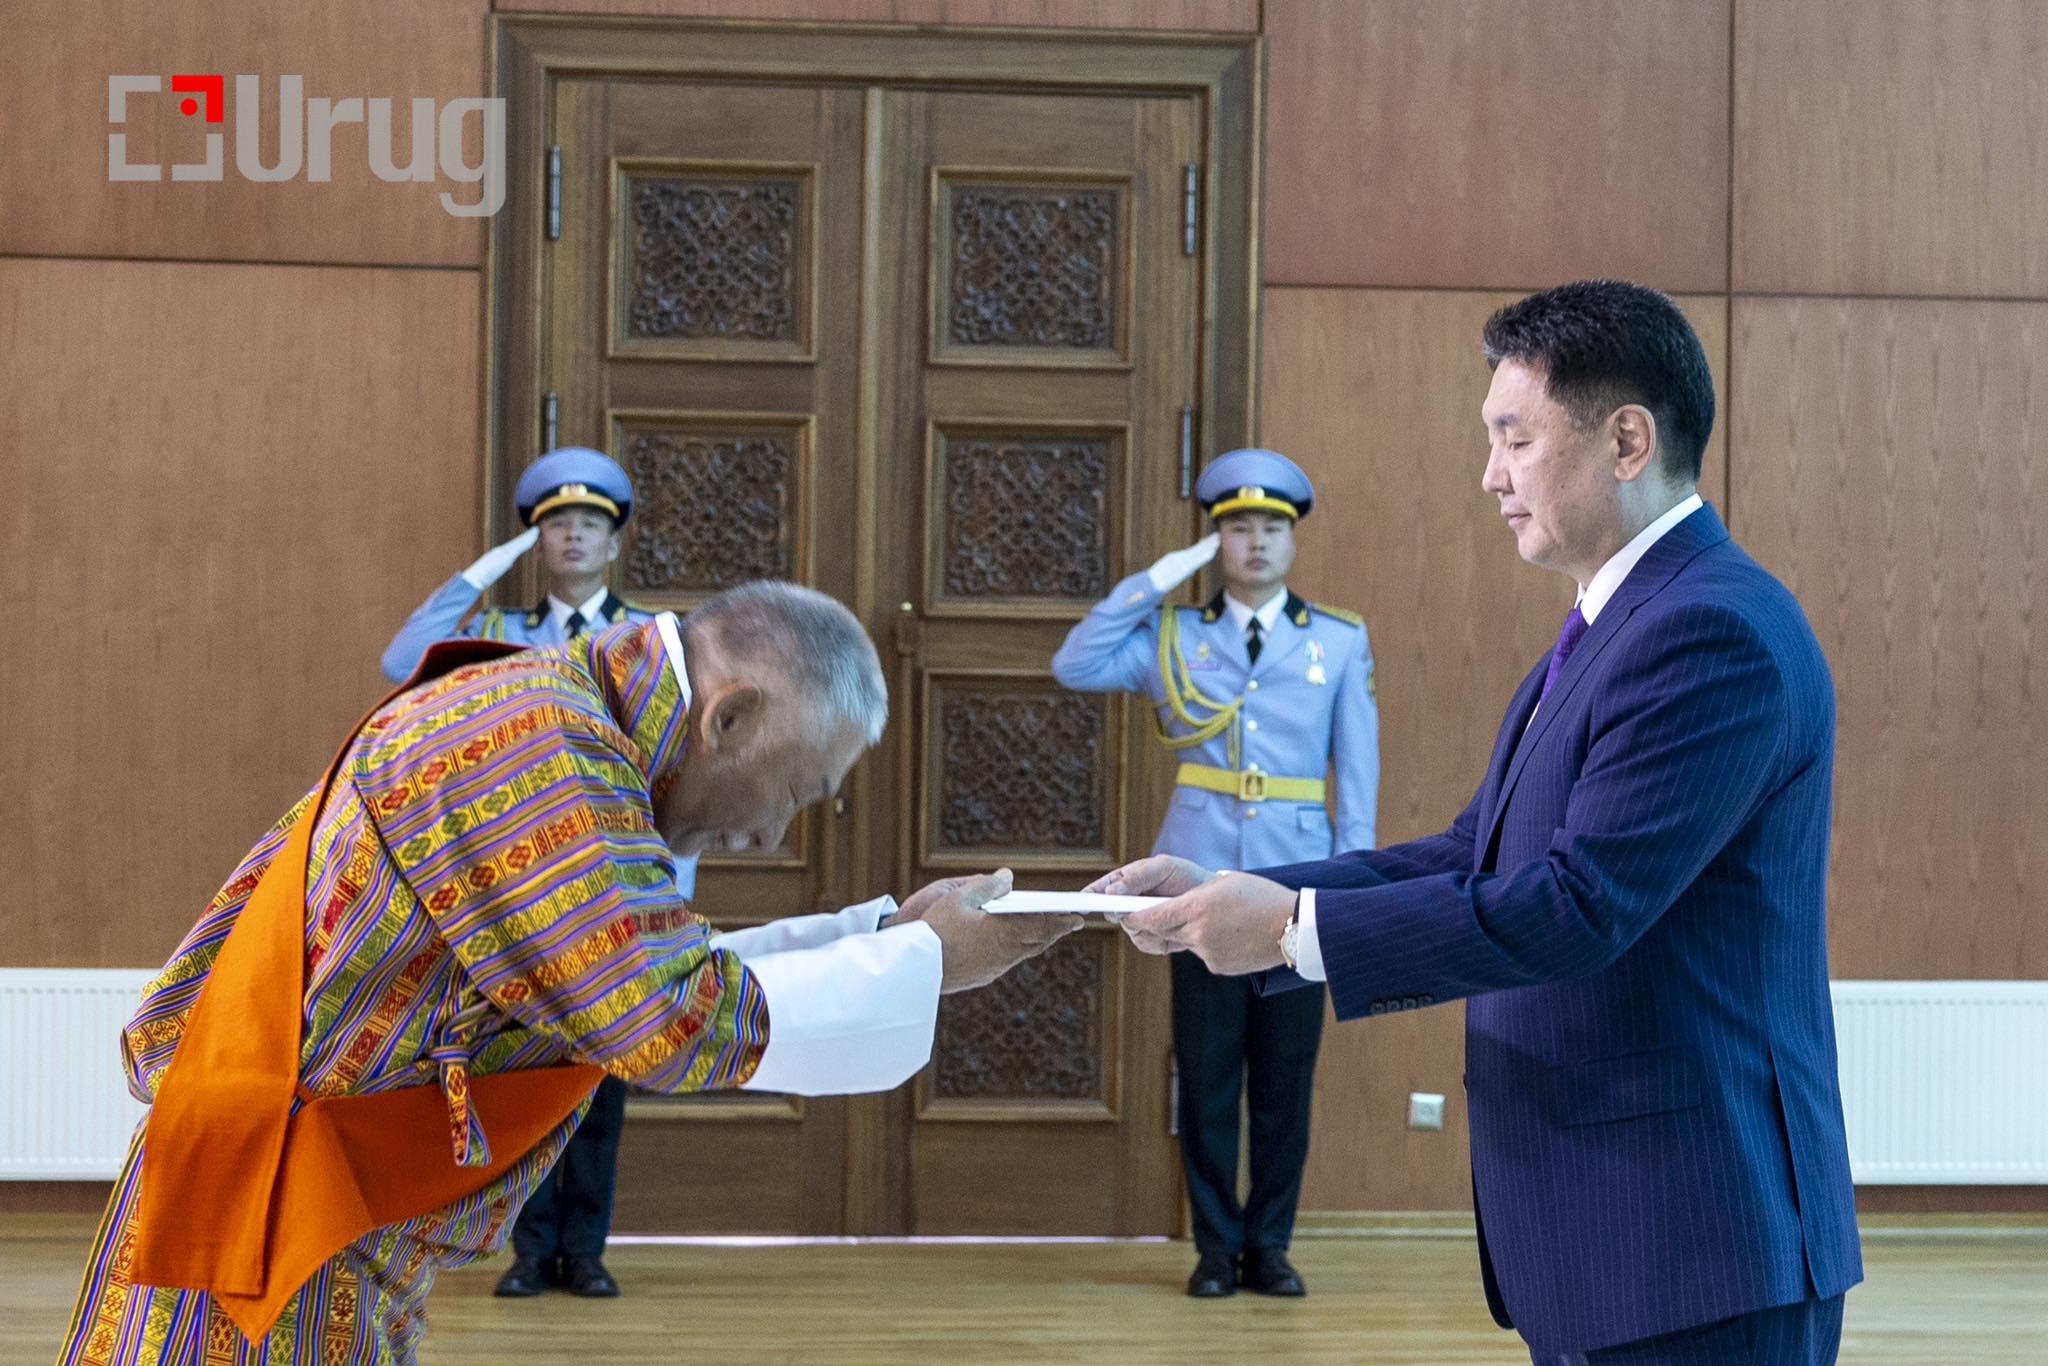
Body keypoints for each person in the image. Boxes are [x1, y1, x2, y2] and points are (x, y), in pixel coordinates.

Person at [1098, 280, 1861, 1364]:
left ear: (1627, 441)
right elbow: (1475, 854)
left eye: (1515, 438)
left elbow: (1579, 907)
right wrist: (1247, 892)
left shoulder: (1708, 633)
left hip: (1692, 1237)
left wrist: (1287, 931)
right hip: (1611, 1235)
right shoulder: (1617, 621)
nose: (1490, 475)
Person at [61, 583, 1079, 1366]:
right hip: (270, 1221)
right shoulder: (540, 746)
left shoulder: (563, 714)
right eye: (796, 790)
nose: (775, 832)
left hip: (322, 1214)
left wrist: (887, 936)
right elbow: (664, 1017)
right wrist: (927, 958)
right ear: (728, 717)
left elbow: (639, 972)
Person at [1051, 448, 1379, 1300]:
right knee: (1206, 1077)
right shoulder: (1175, 636)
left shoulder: (1338, 641)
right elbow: (1075, 663)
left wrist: (1350, 896)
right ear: (1215, 542)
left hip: (1298, 892)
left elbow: (1358, 780)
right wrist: (1162, 577)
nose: (1256, 542)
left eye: (1272, 527)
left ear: (1293, 540)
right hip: (1196, 889)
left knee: (1284, 1081)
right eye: (1237, 529)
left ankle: (1269, 1247)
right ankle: (1213, 1248)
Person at [381, 445, 676, 1301]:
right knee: (520, 1076)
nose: (572, 536)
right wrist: (486, 570)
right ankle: (528, 1250)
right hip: (519, 885)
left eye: (589, 524)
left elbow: (680, 759)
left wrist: (671, 886)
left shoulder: (652, 636)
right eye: (555, 526)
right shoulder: (503, 634)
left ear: (614, 542)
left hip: (615, 885)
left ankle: (586, 1252)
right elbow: (403, 659)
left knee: (601, 1082)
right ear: (536, 545)